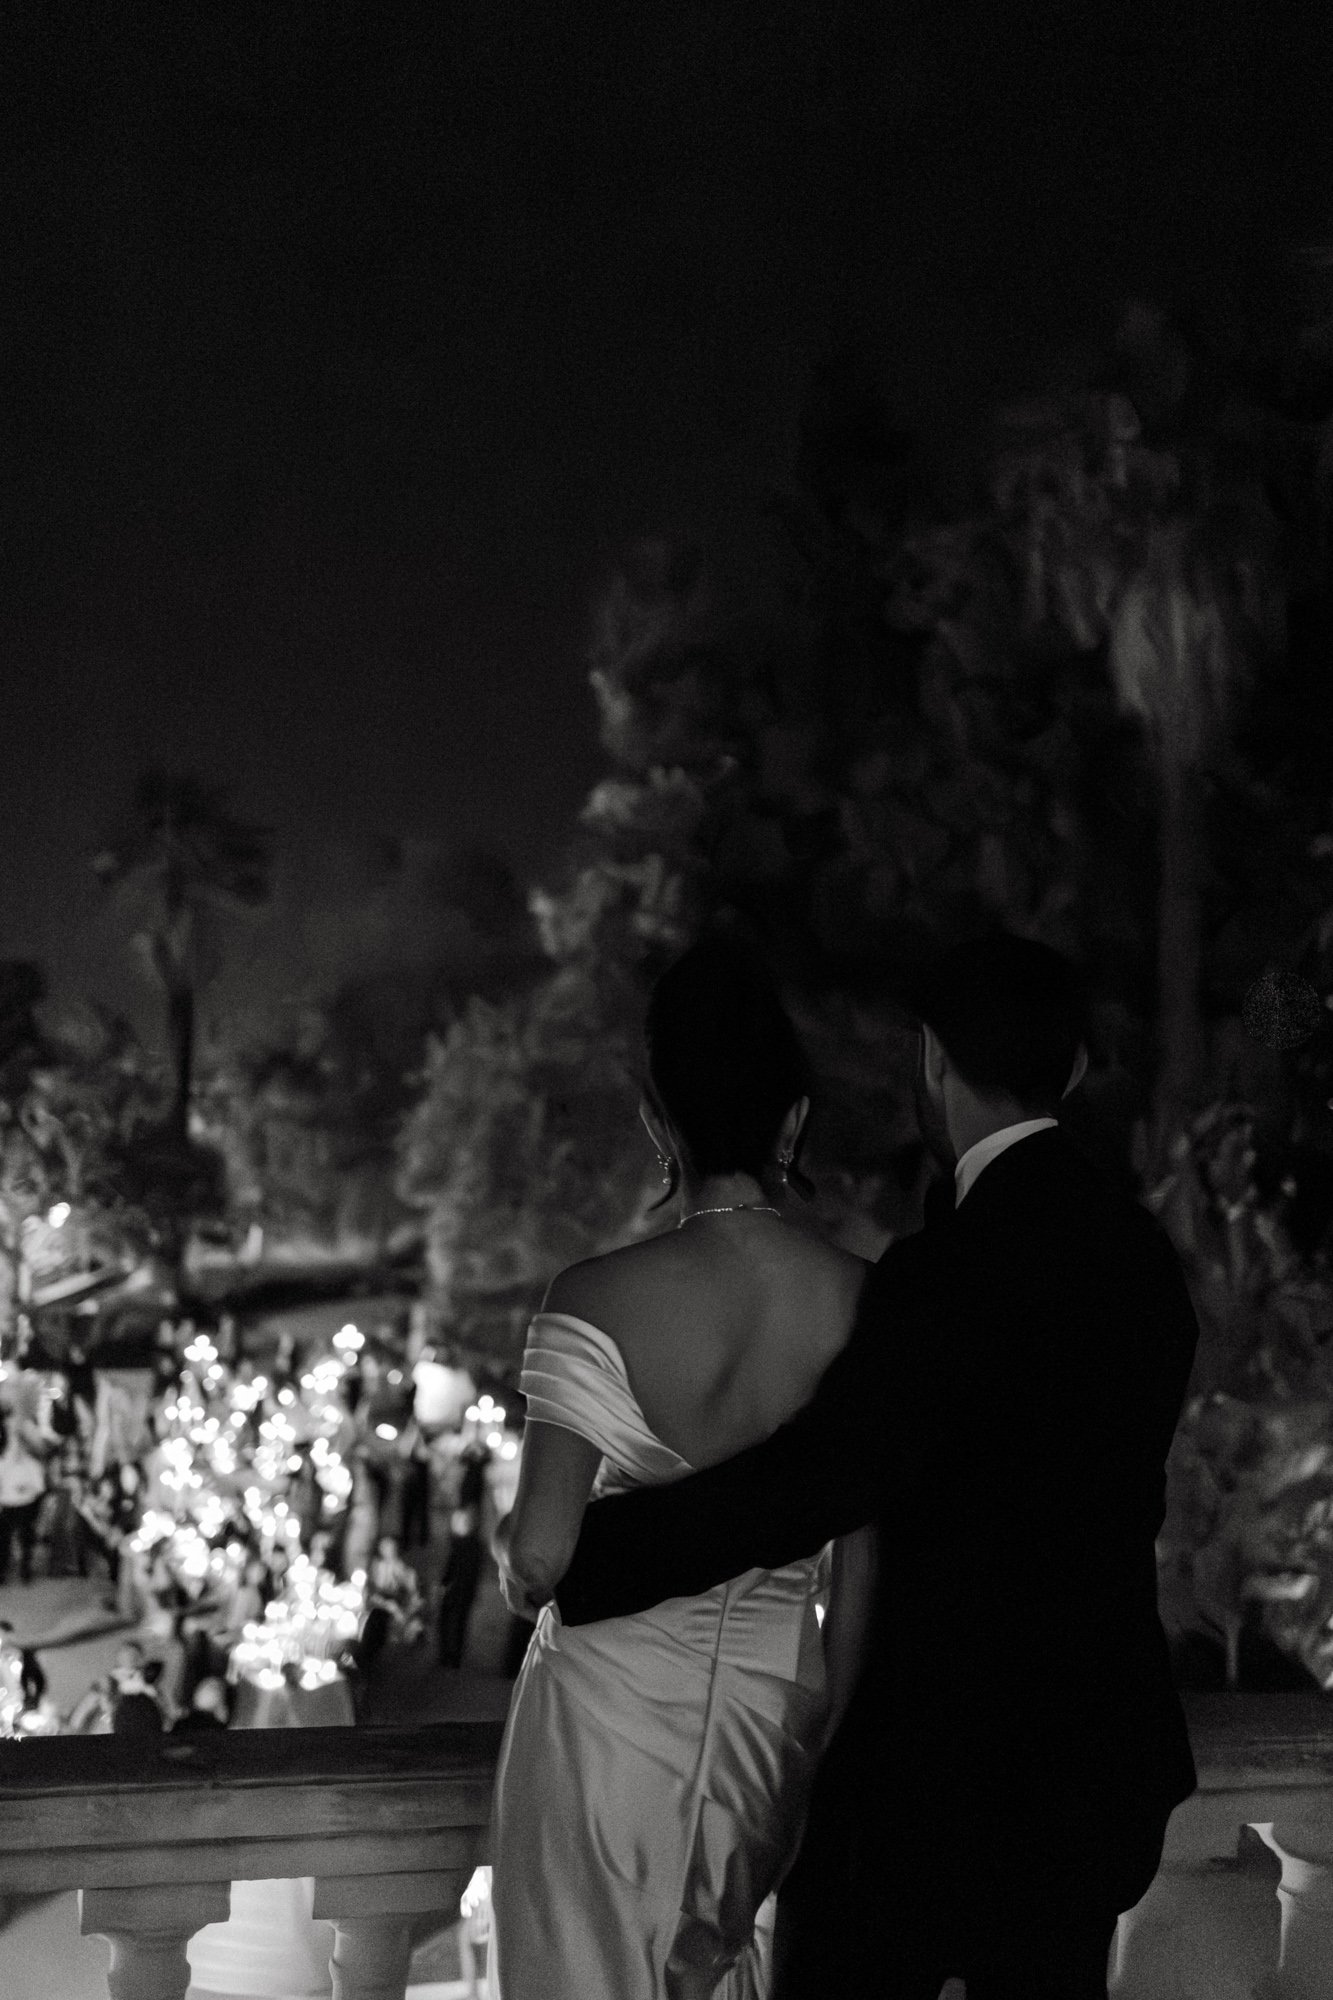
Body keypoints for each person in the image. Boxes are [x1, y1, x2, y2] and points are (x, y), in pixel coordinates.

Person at [555, 933, 1200, 2000]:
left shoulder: (946, 1270)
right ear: (1076, 1067)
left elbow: (822, 1477)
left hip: (936, 1772)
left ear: (933, 1059)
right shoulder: (1141, 1258)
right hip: (1096, 1758)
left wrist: (597, 1553)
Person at [489, 938, 872, 2000]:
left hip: (600, 1725)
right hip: (769, 1720)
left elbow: (539, 1555)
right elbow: (861, 1575)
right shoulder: (865, 1303)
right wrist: (821, 1741)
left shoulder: (593, 1296)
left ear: (658, 1122)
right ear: (792, 1121)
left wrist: (513, 1558)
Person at [437, 1444, 487, 1669]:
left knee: (451, 1608)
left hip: (464, 1558)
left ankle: (449, 1654)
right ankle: (452, 1654)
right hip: (469, 1556)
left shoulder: (469, 1505)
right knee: (460, 1609)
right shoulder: (478, 1498)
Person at [0, 1408, 48, 1585]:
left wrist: (27, 1488)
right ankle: (3, 1570)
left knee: (25, 1537)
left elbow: (39, 1486)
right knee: (4, 1540)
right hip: (6, 1504)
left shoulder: (31, 1464)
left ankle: (25, 1569)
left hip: (26, 1505)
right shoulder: (3, 1463)